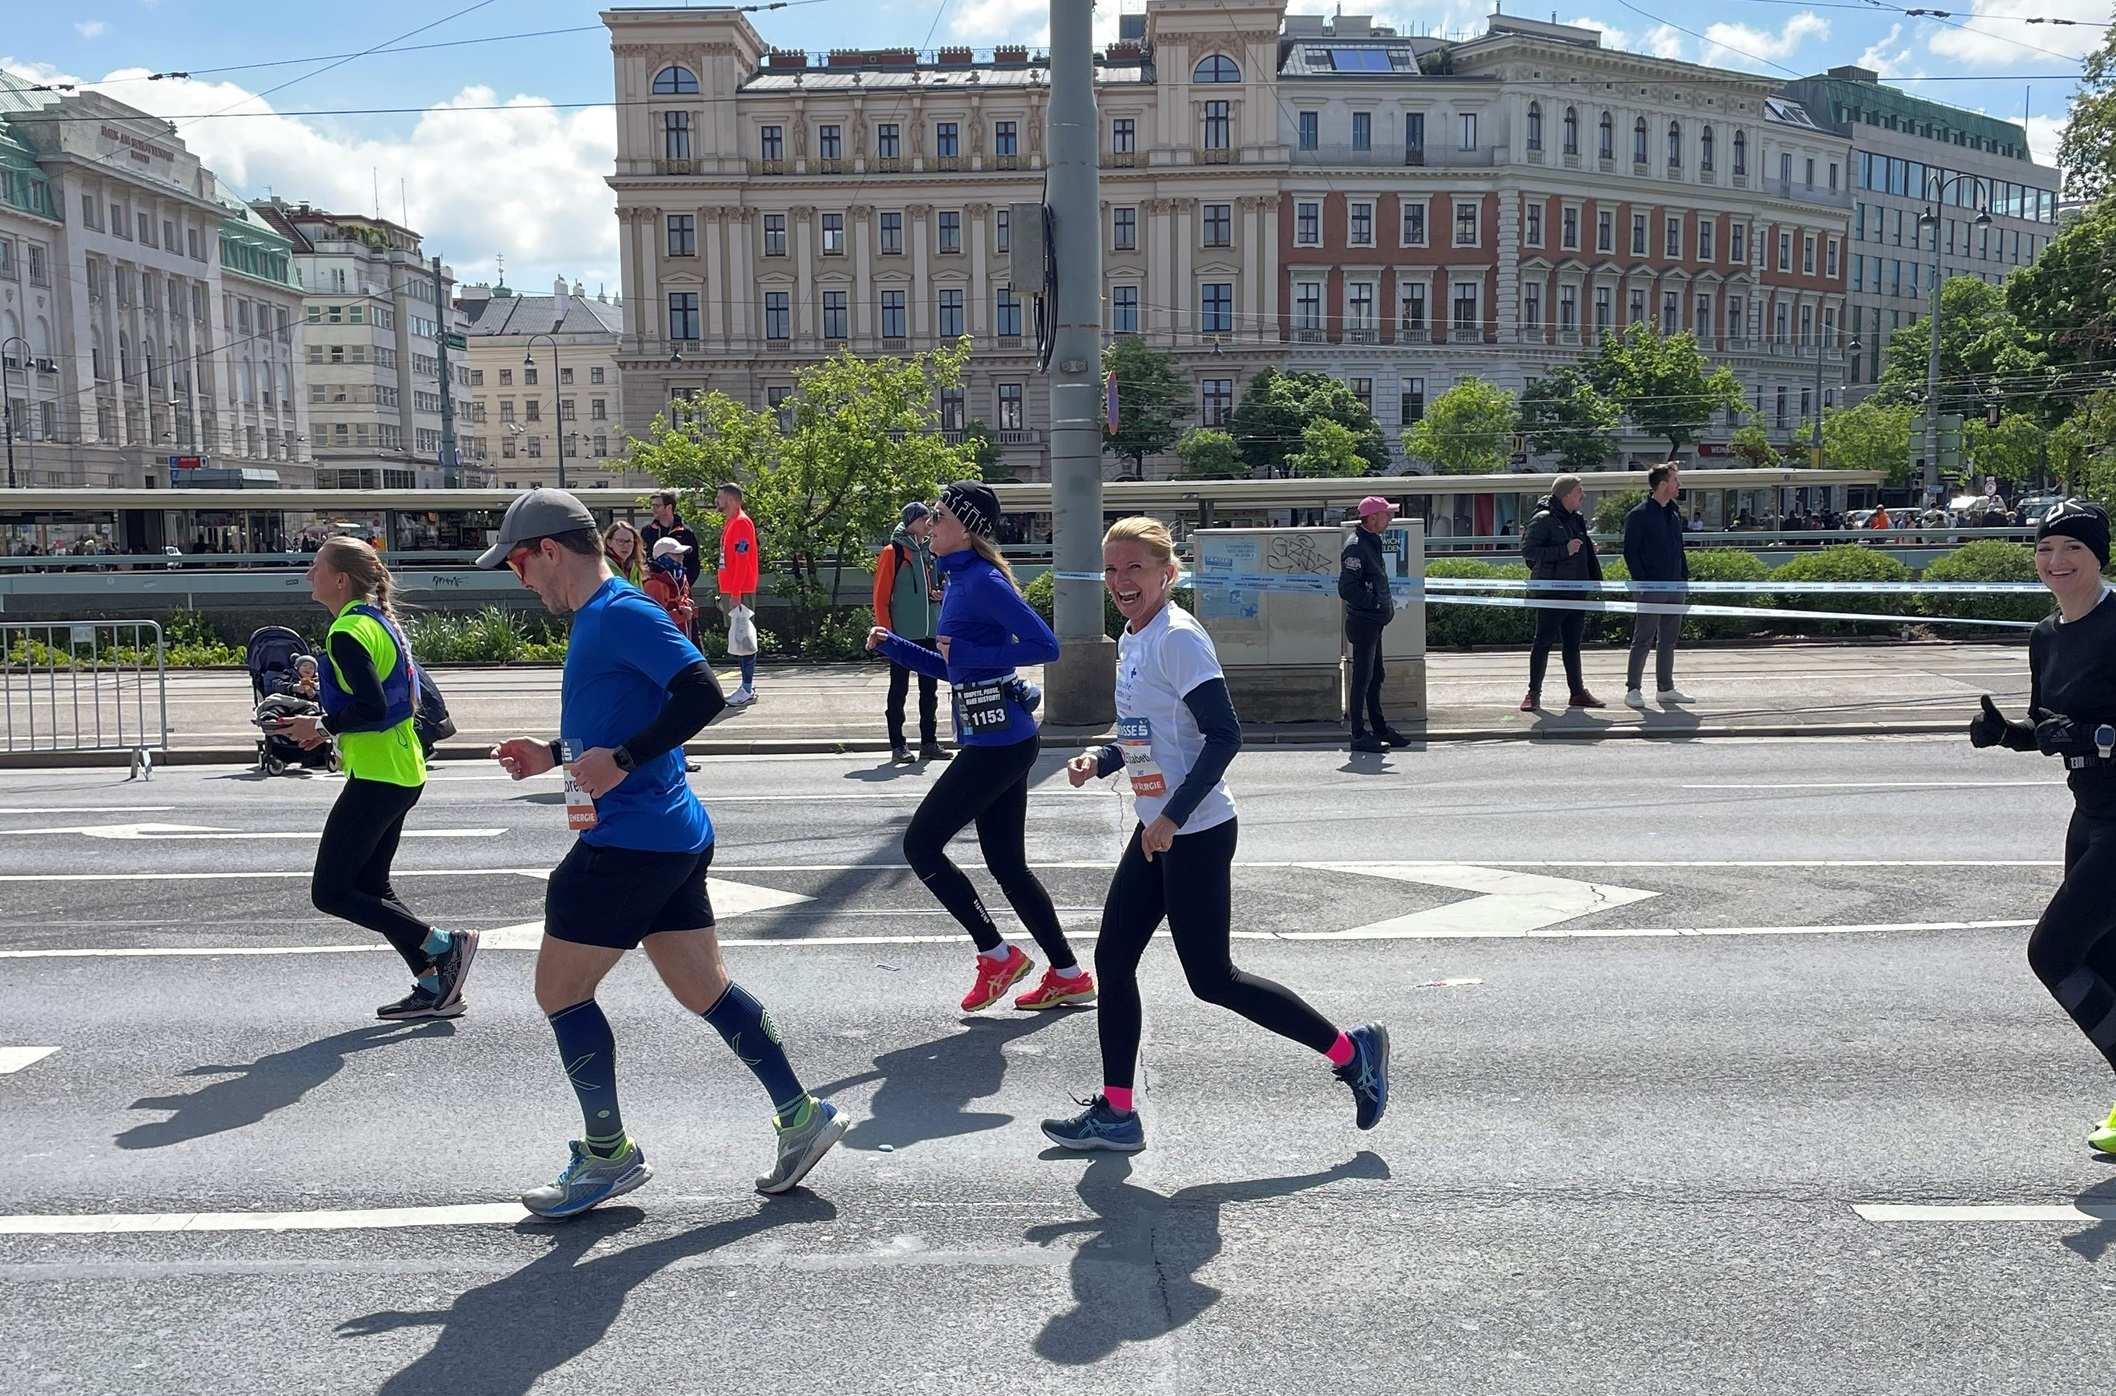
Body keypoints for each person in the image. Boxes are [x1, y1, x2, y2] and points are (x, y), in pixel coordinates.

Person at [483, 487, 844, 1216]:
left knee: (560, 991)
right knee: (702, 988)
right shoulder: (602, 619)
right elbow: (630, 716)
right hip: (670, 835)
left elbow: (702, 694)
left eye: (518, 564)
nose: (518, 579)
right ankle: (803, 1116)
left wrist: (622, 761)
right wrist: (555, 752)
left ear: (549, 551)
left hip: (628, 843)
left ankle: (607, 1157)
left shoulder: (620, 613)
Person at [1041, 517, 1391, 1153]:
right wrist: (1105, 759)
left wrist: (1172, 818)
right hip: (1159, 829)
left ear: (1166, 574)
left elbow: (1225, 734)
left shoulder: (1177, 638)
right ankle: (1118, 1112)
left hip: (1193, 830)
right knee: (1113, 959)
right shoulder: (1135, 635)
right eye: (1113, 569)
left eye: (1136, 569)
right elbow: (1148, 728)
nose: (1122, 581)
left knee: (1213, 979)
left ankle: (1351, 1052)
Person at [865, 480, 1093, 1013]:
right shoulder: (960, 579)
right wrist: (896, 646)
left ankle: (997, 956)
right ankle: (1069, 974)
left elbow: (1046, 646)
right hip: (998, 737)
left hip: (1000, 743)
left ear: (965, 528)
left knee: (921, 846)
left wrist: (970, 646)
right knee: (1007, 864)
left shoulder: (985, 582)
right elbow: (955, 669)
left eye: (940, 516)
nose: (930, 524)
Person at [267, 538, 476, 1021]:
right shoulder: (377, 621)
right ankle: (435, 986)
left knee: (331, 892)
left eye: (315, 567)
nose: (307, 575)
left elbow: (371, 706)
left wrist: (320, 726)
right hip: (401, 769)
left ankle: (443, 946)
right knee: (373, 887)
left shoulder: (347, 632)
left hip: (380, 774)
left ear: (340, 579)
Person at [1971, 500, 2116, 1156]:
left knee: (2053, 952)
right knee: (2102, 960)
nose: (2055, 563)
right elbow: (2049, 729)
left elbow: (2085, 731)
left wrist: (2090, 735)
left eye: (2072, 551)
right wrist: (2010, 736)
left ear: (2099, 557)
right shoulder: (2045, 636)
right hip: (2089, 816)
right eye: (2044, 549)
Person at [1520, 474, 1605, 712]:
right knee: (1543, 642)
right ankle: (1533, 693)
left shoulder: (1576, 519)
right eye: (1579, 491)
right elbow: (1528, 551)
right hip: (1551, 592)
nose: (1583, 496)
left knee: (1572, 644)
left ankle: (1577, 693)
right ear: (1566, 494)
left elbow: (1578, 549)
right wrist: (1563, 551)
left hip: (1576, 591)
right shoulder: (1543, 518)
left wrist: (1589, 553)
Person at [874, 500, 946, 764]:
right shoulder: (893, 552)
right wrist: (886, 635)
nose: (929, 524)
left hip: (929, 631)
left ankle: (929, 742)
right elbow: (880, 597)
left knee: (930, 690)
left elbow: (935, 587)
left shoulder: (929, 551)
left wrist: (938, 595)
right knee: (899, 689)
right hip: (902, 636)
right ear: (911, 522)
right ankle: (898, 744)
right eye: (924, 519)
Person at [1339, 495, 1411, 754]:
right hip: (1364, 622)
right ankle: (1358, 734)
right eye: (1386, 514)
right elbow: (1347, 588)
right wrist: (1375, 604)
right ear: (1371, 518)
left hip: (1373, 621)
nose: (1390, 518)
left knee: (1375, 675)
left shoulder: (1371, 541)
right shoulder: (1356, 546)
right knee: (1362, 678)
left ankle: (1379, 728)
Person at [1622, 463, 1693, 710]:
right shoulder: (1639, 515)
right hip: (1651, 586)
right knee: (1643, 638)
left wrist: (1684, 578)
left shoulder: (1673, 514)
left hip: (1675, 585)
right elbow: (1630, 552)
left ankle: (1665, 688)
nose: (1678, 484)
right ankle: (1633, 689)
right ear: (1662, 484)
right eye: (1675, 480)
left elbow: (1679, 549)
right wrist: (1643, 583)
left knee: (1669, 639)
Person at [716, 483, 760, 707]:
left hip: (739, 590)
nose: (717, 500)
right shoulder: (732, 522)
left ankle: (747, 686)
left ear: (731, 499)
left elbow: (742, 560)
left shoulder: (741, 523)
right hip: (733, 589)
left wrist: (736, 592)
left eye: (720, 496)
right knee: (738, 638)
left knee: (744, 638)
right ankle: (746, 685)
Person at [639, 490, 702, 587]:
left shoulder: (686, 532)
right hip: (653, 587)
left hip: (679, 587)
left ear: (669, 507)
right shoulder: (647, 531)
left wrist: (684, 585)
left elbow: (694, 564)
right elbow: (641, 558)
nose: (653, 509)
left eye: (657, 506)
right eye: (652, 506)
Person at [642, 536, 698, 637]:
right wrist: (681, 614)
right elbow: (653, 620)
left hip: (685, 637)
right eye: (676, 554)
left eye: (682, 554)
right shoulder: (653, 583)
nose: (681, 557)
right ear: (663, 557)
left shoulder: (682, 578)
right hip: (664, 641)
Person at [604, 520, 645, 588]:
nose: (625, 546)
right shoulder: (602, 566)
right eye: (620, 541)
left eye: (629, 541)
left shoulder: (635, 566)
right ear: (609, 542)